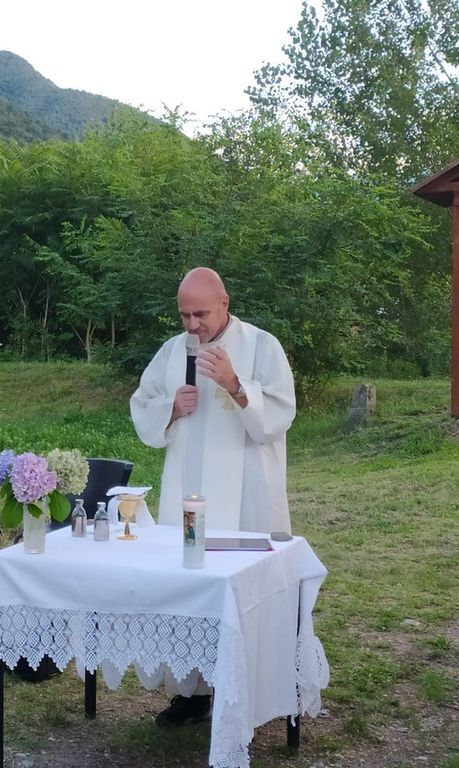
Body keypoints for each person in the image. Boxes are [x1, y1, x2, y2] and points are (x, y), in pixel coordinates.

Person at [129, 266, 297, 726]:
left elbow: (280, 414)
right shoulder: (172, 351)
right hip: (188, 492)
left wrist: (235, 385)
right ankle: (193, 691)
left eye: (200, 314)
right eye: (184, 315)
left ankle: (255, 688)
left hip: (247, 494)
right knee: (189, 588)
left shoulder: (262, 346)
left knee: (246, 589)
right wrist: (170, 409)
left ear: (224, 303)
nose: (192, 325)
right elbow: (142, 404)